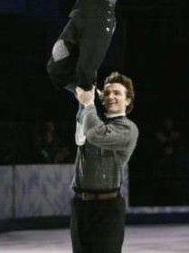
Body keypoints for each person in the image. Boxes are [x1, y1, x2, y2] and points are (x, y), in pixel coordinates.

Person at [71, 71, 139, 253]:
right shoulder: (91, 118)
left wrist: (88, 103)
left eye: (117, 93)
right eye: (107, 93)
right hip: (81, 207)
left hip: (107, 209)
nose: (111, 97)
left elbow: (95, 134)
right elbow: (80, 137)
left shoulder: (128, 129)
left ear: (128, 101)